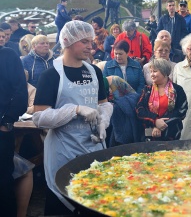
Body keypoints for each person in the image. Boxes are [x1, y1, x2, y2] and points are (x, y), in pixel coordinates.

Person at [32, 20, 113, 215]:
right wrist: (74, 110)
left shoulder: (94, 71)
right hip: (63, 151)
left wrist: (104, 119)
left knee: (93, 202)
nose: (90, 46)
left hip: (93, 148)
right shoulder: (51, 75)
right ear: (68, 41)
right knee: (63, 203)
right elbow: (39, 117)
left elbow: (103, 103)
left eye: (91, 41)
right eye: (84, 41)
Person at [0, 38, 28, 217]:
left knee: (3, 182)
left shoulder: (8, 55)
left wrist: (7, 122)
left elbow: (20, 91)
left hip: (1, 131)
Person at [136, 58, 188, 141]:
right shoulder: (147, 90)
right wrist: (155, 121)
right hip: (150, 135)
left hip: (171, 134)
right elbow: (139, 110)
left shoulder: (177, 90)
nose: (152, 74)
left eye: (155, 71)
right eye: (151, 71)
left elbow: (182, 111)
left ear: (164, 72)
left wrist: (161, 126)